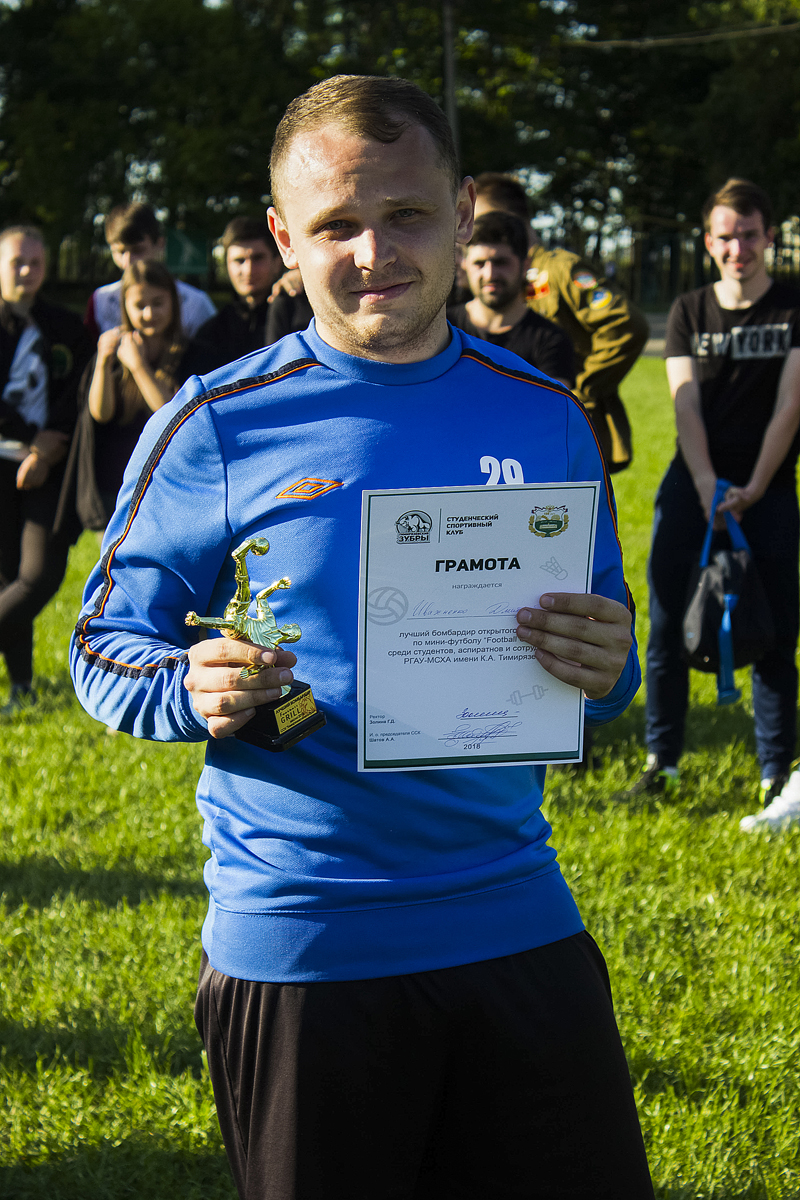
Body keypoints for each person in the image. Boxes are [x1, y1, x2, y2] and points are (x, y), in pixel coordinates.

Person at [71, 75, 652, 1199]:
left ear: (460, 216)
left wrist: (608, 663)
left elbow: (603, 656)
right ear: (284, 239)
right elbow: (101, 641)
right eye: (336, 224)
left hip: (515, 913)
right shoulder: (215, 422)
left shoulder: (543, 414)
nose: (374, 252)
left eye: (406, 214)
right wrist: (186, 686)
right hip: (306, 939)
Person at [621, 179, 800, 834]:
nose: (738, 248)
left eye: (749, 234)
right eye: (726, 236)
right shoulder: (690, 310)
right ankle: (662, 762)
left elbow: (791, 405)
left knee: (775, 632)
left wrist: (754, 486)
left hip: (768, 487)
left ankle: (775, 772)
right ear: (708, 242)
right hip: (693, 485)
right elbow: (685, 402)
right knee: (667, 625)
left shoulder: (792, 307)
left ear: (769, 236)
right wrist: (706, 484)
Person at [473, 172, 649, 473]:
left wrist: (581, 392)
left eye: (480, 220)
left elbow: (624, 323)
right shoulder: (481, 272)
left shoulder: (558, 269)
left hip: (561, 430)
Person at [0, 224, 91, 713]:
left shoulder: (65, 325)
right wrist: (27, 436)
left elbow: (78, 391)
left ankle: (21, 687)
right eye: (17, 262)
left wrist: (47, 446)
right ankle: (22, 687)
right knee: (5, 578)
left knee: (37, 576)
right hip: (5, 461)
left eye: (35, 262)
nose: (27, 271)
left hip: (50, 467)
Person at [76, 260, 217, 529]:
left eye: (158, 303)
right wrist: (103, 362)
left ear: (173, 303)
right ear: (125, 307)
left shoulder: (195, 354)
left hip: (170, 482)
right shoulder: (114, 352)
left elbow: (175, 415)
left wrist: (139, 366)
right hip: (118, 483)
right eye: (139, 305)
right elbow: (100, 413)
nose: (149, 313)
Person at [448, 210, 575, 389]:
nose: (490, 274)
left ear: (526, 265)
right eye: (479, 263)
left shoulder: (550, 340)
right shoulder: (443, 328)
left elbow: (553, 405)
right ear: (465, 264)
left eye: (501, 262)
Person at [84, 202, 216, 341]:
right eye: (120, 252)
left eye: (137, 250)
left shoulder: (196, 304)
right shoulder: (100, 300)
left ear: (159, 244)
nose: (127, 261)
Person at [196, 217, 286, 366]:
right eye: (239, 260)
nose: (248, 270)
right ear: (227, 265)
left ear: (277, 262)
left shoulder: (302, 316)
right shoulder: (212, 333)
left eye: (258, 258)